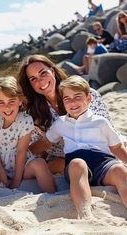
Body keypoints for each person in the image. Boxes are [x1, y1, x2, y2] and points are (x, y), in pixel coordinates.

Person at [45, 75, 127, 219]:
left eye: (78, 96)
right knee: (78, 164)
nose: (73, 102)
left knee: (120, 170)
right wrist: (25, 152)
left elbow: (117, 147)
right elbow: (45, 142)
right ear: (63, 102)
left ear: (89, 99)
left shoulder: (100, 122)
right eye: (67, 99)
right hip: (76, 167)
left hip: (104, 164)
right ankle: (86, 216)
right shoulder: (61, 123)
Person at [17, 54, 112, 174]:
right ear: (30, 84)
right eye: (33, 79)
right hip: (64, 160)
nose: (40, 81)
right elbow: (37, 148)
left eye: (43, 73)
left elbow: (108, 133)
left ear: (52, 71)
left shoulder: (87, 95)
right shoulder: (32, 112)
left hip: (99, 155)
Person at [0, 76, 56, 193]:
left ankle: (51, 196)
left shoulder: (25, 120)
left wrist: (16, 179)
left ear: (20, 100)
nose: (7, 107)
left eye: (11, 101)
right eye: (1, 102)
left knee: (40, 164)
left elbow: (21, 151)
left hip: (22, 165)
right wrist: (1, 173)